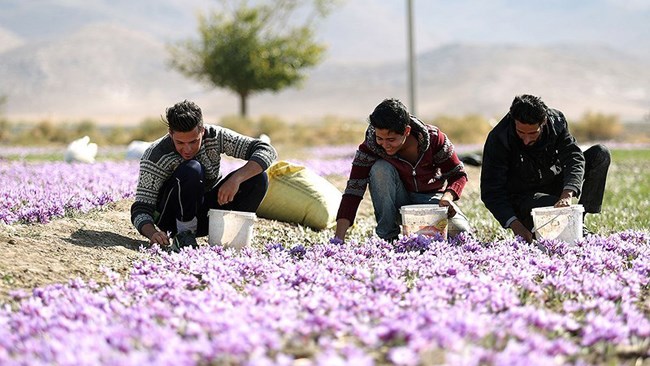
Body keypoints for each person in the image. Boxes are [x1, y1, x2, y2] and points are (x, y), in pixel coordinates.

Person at [130, 100, 277, 252]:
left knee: (258, 178)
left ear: (202, 131)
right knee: (191, 168)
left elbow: (266, 150)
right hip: (172, 220)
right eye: (180, 142)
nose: (187, 149)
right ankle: (184, 235)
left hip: (206, 215)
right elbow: (141, 209)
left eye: (194, 141)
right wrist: (152, 233)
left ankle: (232, 239)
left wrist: (236, 178)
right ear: (170, 133)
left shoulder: (215, 136)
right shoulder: (155, 156)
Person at [334, 98, 472, 242]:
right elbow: (353, 191)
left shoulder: (435, 139)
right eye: (380, 138)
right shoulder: (370, 147)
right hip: (397, 204)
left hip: (429, 203)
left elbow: (458, 174)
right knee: (380, 169)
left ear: (406, 131)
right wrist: (338, 239)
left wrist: (448, 197)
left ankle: (418, 233)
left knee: (461, 233)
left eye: (391, 139)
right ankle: (387, 238)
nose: (385, 145)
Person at [480, 94, 611, 243]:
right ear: (513, 121)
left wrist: (567, 193)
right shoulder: (499, 138)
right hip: (525, 198)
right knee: (549, 205)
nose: (526, 140)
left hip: (553, 182)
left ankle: (578, 220)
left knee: (600, 154)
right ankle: (573, 228)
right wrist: (516, 225)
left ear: (543, 122)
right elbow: (491, 191)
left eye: (532, 133)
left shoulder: (556, 122)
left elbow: (573, 156)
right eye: (521, 133)